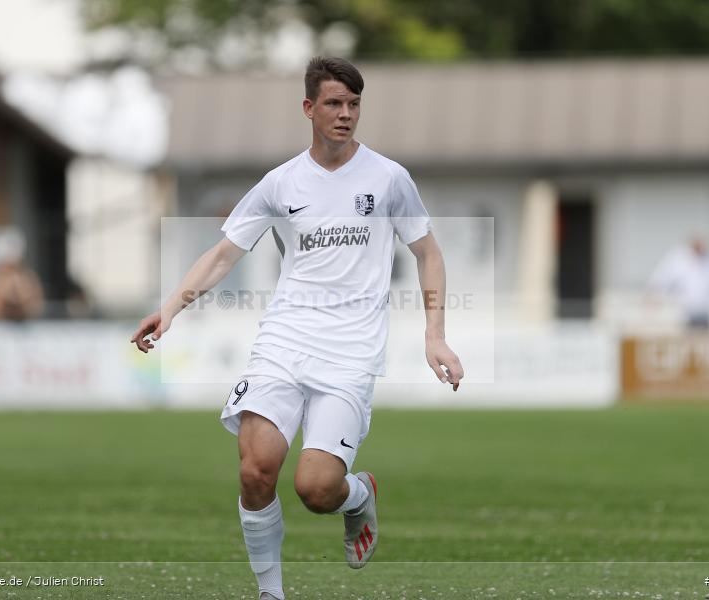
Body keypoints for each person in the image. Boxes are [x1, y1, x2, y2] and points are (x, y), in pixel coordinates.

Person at [131, 57, 463, 600]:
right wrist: (169, 310)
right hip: (284, 342)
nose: (346, 114)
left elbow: (428, 253)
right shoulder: (280, 183)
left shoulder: (388, 178)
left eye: (354, 104)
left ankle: (356, 496)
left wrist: (435, 334)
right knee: (256, 470)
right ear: (309, 109)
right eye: (334, 103)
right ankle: (271, 593)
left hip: (350, 354)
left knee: (315, 488)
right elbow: (222, 255)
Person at [648, 234, 709, 330]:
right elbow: (663, 277)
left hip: (706, 312)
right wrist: (652, 293)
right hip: (685, 312)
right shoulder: (678, 260)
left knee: (705, 340)